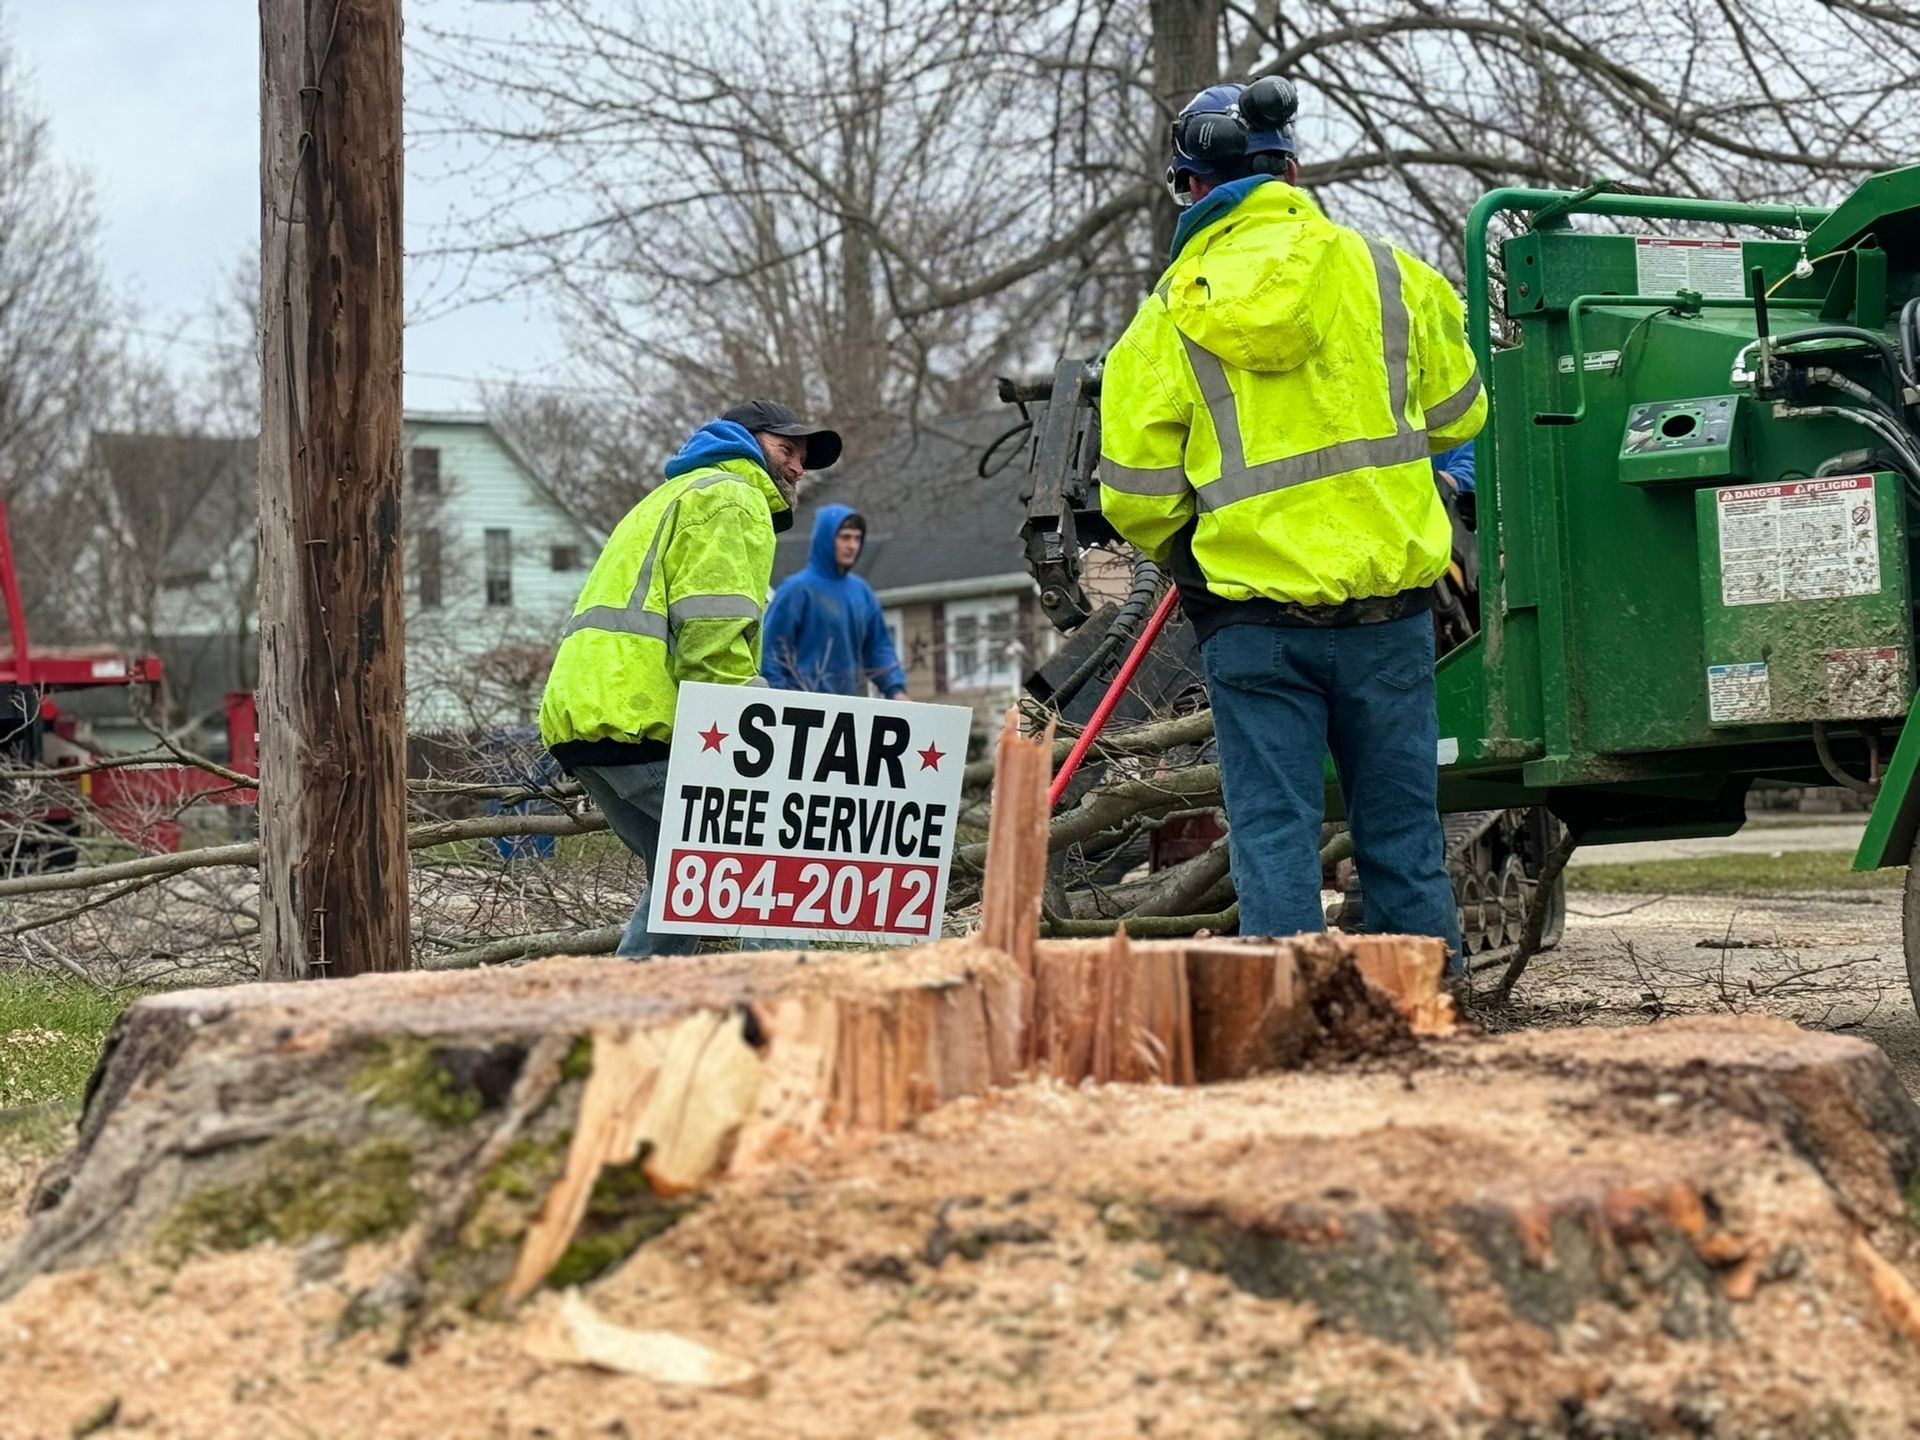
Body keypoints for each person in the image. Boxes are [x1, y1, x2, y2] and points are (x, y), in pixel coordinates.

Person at [1097, 77, 1486, 964]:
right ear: (1291, 170)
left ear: (1191, 187)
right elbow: (1461, 413)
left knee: (1274, 834)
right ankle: (1430, 1006)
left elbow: (1134, 494)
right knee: (1401, 829)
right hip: (1390, 613)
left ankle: (1283, 1021)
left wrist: (1190, 551)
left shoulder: (1165, 318)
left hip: (1252, 626)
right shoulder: (1393, 276)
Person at [539, 398, 842, 957]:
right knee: (771, 861)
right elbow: (713, 636)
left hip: (586, 719)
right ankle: (784, 1013)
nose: (799, 468)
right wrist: (764, 728)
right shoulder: (731, 496)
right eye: (787, 450)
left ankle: (636, 1016)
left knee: (687, 873)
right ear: (746, 443)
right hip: (643, 718)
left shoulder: (672, 495)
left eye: (803, 457)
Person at [760, 504, 908, 698]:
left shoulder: (862, 592)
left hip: (850, 707)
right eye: (845, 537)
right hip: (803, 705)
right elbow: (771, 654)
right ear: (826, 539)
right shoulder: (796, 590)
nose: (852, 546)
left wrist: (896, 690)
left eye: (857, 538)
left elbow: (879, 648)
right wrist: (781, 700)